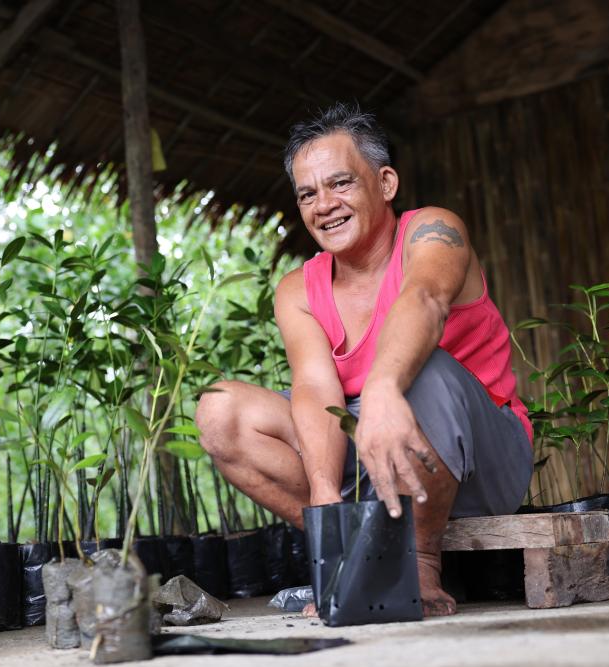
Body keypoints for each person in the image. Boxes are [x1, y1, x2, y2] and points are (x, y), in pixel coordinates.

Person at [195, 102, 533, 617]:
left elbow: (425, 300)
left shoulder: (433, 231)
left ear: (387, 183)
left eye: (341, 184)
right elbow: (315, 390)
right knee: (221, 410)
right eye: (308, 194)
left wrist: (381, 387)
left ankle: (417, 563)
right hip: (369, 453)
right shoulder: (299, 290)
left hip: (478, 459)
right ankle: (353, 553)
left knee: (423, 371)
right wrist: (326, 492)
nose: (323, 204)